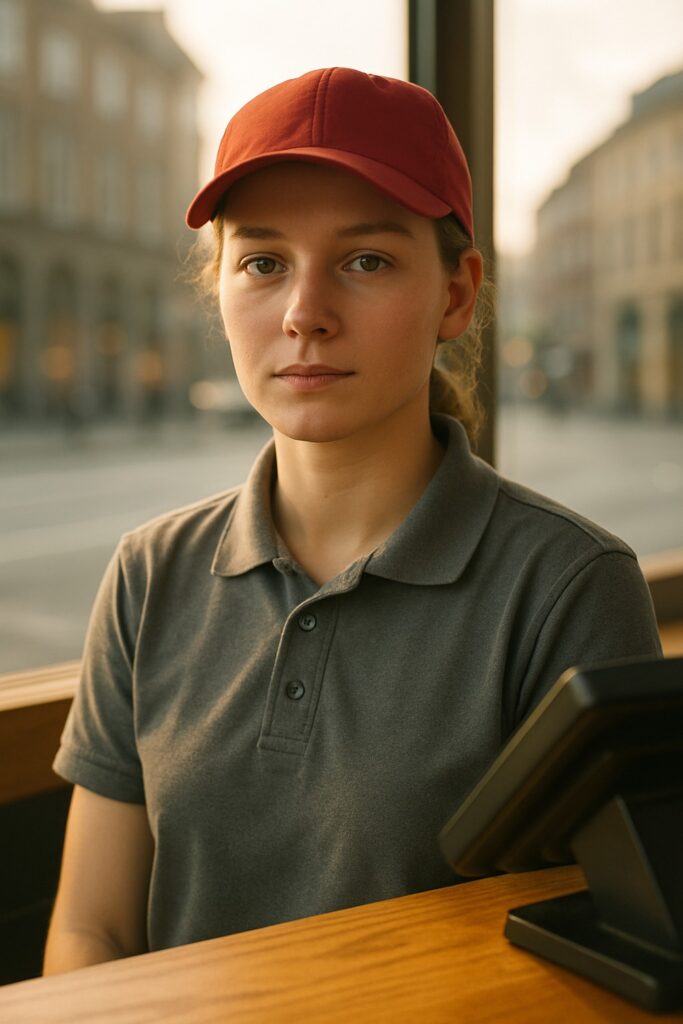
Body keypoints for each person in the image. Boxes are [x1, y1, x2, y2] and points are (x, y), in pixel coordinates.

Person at [43, 67, 662, 975]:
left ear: (455, 294)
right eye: (261, 263)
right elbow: (91, 931)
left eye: (365, 261)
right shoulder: (149, 571)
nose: (304, 315)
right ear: (219, 291)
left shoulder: (565, 585)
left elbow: (589, 957)